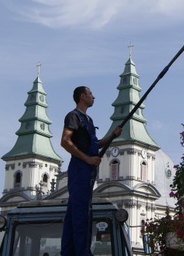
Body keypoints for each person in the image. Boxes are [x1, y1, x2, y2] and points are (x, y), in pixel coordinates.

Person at [60, 86, 122, 256]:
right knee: (81, 214)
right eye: (90, 94)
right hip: (80, 169)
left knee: (76, 212)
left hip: (87, 170)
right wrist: (87, 159)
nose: (94, 97)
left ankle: (70, 252)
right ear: (82, 97)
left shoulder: (88, 120)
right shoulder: (73, 116)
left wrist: (112, 136)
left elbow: (94, 145)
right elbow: (65, 141)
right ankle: (82, 253)